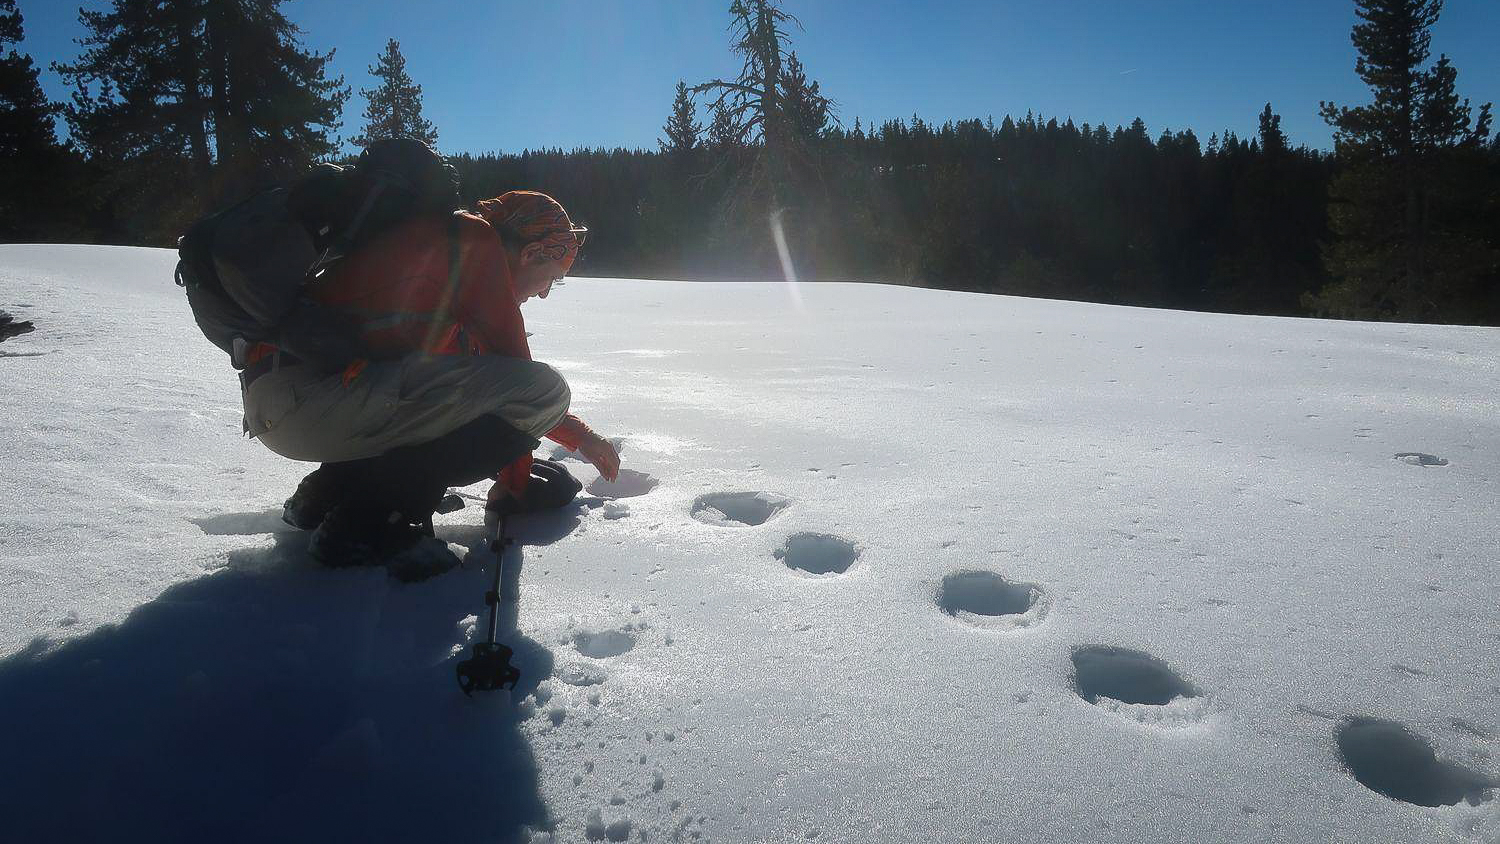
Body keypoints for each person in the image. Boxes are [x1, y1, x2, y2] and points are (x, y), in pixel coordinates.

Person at [238, 189, 619, 568]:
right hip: (311, 400)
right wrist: (513, 489)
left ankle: (326, 495)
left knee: (440, 407)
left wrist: (578, 435)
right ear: (532, 253)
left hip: (285, 402)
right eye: (552, 277)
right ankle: (363, 526)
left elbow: (465, 388)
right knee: (548, 389)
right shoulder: (477, 249)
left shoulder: (448, 250)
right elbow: (521, 381)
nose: (545, 293)